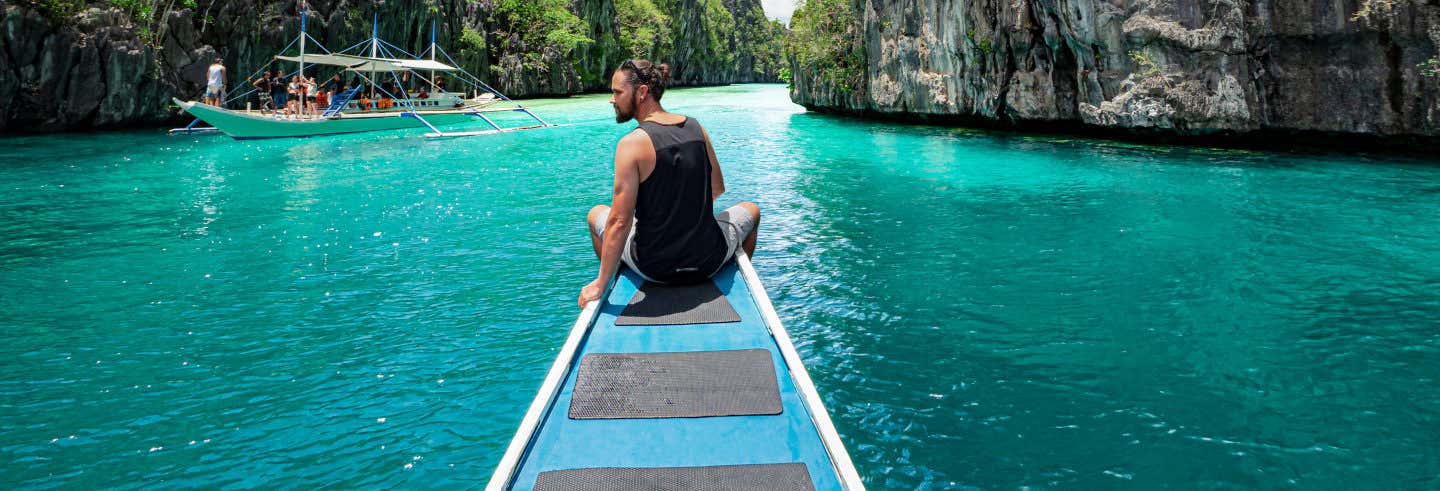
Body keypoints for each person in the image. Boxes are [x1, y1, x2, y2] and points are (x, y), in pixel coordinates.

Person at [579, 59, 760, 308]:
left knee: (595, 214)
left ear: (642, 92)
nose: (612, 99)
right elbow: (716, 188)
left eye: (617, 92)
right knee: (752, 210)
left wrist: (598, 285)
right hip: (708, 260)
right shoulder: (696, 128)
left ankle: (611, 277)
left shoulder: (631, 144)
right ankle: (733, 277)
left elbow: (620, 222)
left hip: (654, 268)